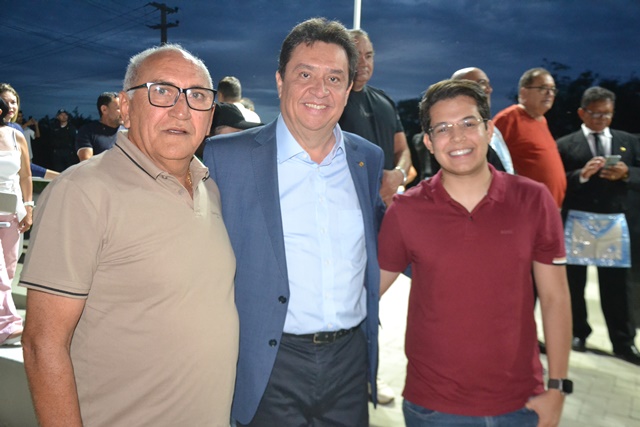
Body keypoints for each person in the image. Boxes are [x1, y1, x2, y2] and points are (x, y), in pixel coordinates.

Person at [20, 44, 238, 426]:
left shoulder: (209, 188)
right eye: (162, 91)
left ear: (209, 117)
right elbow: (42, 344)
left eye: (198, 96)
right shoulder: (82, 192)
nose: (181, 109)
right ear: (124, 107)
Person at [204, 18, 385, 426]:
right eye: (305, 74)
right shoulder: (227, 158)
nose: (320, 90)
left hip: (349, 362)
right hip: (267, 362)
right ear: (280, 81)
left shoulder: (367, 159)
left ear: (348, 88)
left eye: (334, 78)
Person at [379, 80, 572, 427]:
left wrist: (557, 387)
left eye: (468, 123)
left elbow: (555, 297)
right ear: (428, 142)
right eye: (442, 128)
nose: (457, 138)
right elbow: (364, 293)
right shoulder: (406, 210)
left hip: (521, 402)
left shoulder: (533, 199)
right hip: (433, 407)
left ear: (489, 130)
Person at [557, 86, 640, 365]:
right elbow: (556, 181)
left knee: (618, 286)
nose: (602, 119)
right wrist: (581, 175)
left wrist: (627, 173)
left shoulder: (629, 141)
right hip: (578, 220)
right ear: (582, 113)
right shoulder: (565, 144)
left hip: (615, 221)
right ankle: (578, 332)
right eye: (595, 114)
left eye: (607, 114)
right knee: (574, 282)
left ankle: (623, 341)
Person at [339, 29, 412, 206]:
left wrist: (398, 175)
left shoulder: (385, 100)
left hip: (386, 207)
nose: (363, 62)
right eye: (356, 55)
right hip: (347, 204)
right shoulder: (330, 101)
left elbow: (402, 150)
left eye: (369, 56)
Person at [494, 67, 566, 207]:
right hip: (524, 208)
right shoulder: (508, 118)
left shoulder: (542, 121)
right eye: (543, 88)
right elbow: (489, 162)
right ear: (524, 92)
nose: (550, 93)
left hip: (549, 208)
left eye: (552, 89)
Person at [0, 97, 33, 346]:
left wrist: (28, 208)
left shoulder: (15, 136)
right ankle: (8, 325)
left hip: (12, 213)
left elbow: (26, 176)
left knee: (9, 270)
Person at [451, 67, 514, 174]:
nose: (489, 90)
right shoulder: (452, 134)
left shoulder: (493, 130)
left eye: (488, 85)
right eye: (482, 83)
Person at [76, 92, 122, 161]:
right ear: (104, 109)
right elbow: (86, 163)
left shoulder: (130, 131)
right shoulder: (88, 131)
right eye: (119, 108)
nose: (124, 112)